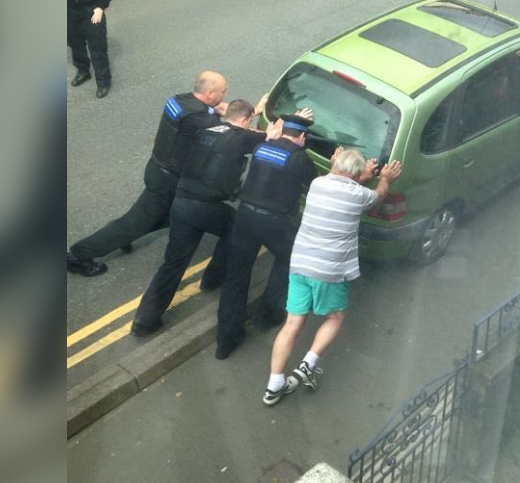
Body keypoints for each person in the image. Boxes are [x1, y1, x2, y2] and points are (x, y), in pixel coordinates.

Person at [130, 99, 283, 337]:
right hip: (205, 206)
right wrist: (273, 132)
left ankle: (145, 319)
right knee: (235, 227)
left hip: (180, 203)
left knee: (173, 264)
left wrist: (257, 111)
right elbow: (266, 137)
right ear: (244, 120)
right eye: (250, 120)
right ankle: (213, 278)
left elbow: (239, 132)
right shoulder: (242, 137)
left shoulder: (209, 130)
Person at [263, 148, 402, 405]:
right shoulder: (360, 194)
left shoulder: (318, 183)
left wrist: (345, 166)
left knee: (292, 323)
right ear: (358, 175)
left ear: (335, 163)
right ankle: (307, 365)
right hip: (329, 269)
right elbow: (379, 195)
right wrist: (383, 177)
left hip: (301, 264)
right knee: (336, 316)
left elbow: (338, 180)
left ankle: (274, 386)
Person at [67, 71, 230, 277]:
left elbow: (201, 116)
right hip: (167, 181)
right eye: (223, 92)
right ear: (209, 93)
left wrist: (214, 110)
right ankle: (76, 255)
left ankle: (121, 235)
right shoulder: (200, 118)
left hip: (158, 169)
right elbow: (228, 133)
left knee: (168, 216)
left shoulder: (179, 100)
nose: (225, 94)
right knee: (137, 223)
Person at [215, 111, 317, 360]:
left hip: (245, 216)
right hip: (275, 222)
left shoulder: (262, 147)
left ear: (283, 131)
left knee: (236, 277)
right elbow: (315, 186)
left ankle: (226, 341)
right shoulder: (300, 158)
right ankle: (267, 314)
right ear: (302, 136)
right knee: (290, 259)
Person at [67, 0, 113, 99]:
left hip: (91, 12)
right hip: (69, 14)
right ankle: (83, 70)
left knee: (97, 48)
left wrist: (100, 7)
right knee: (76, 46)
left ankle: (103, 81)